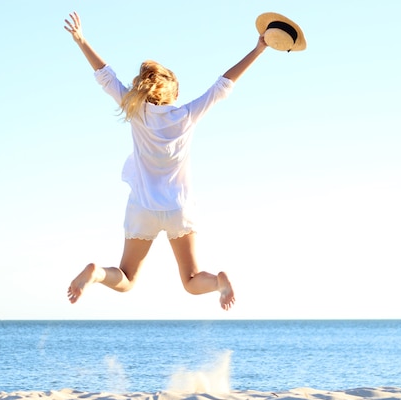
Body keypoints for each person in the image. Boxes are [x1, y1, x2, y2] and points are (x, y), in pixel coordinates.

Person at [64, 11, 268, 310]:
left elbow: (105, 77)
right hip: (178, 208)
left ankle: (96, 274)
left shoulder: (136, 111)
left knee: (127, 278)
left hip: (143, 208)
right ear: (172, 94)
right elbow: (224, 84)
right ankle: (217, 282)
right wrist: (258, 49)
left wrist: (81, 40)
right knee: (192, 279)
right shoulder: (186, 115)